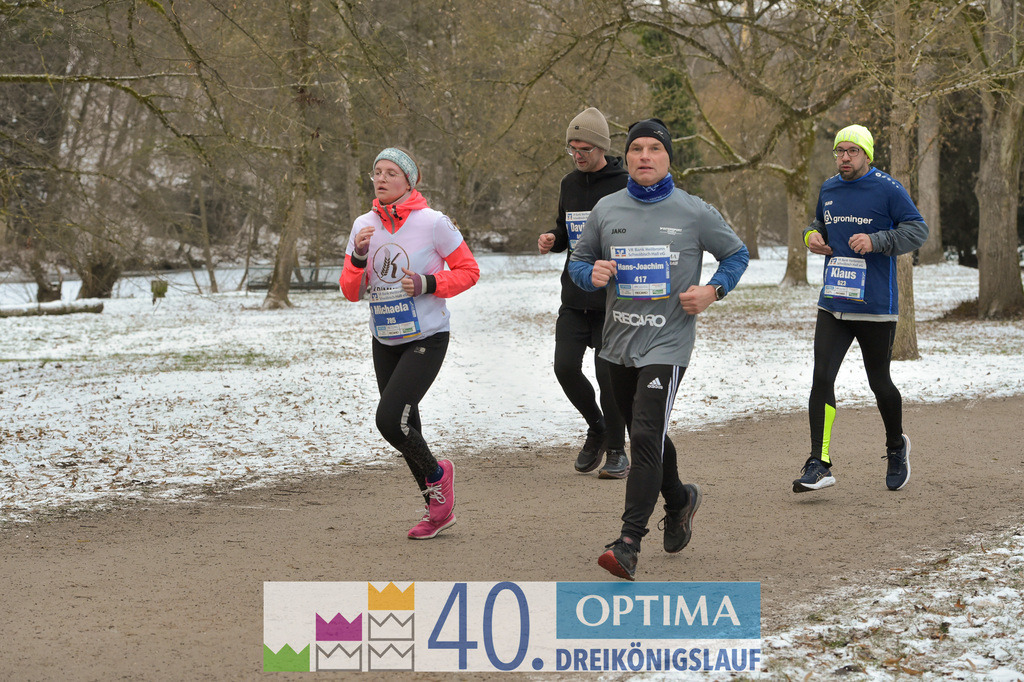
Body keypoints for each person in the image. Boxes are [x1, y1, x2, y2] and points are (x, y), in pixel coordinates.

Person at [569, 118, 749, 580]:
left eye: (654, 149)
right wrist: (590, 274)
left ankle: (628, 542)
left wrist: (713, 290)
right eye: (637, 149)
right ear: (625, 157)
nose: (645, 156)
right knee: (646, 432)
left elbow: (736, 255)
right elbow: (579, 260)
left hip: (667, 343)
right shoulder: (607, 209)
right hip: (616, 344)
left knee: (645, 434)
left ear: (669, 158)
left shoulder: (693, 211)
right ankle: (679, 498)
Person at [341, 147, 480, 539]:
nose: (381, 179)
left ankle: (439, 475)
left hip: (427, 337)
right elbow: (351, 292)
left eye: (390, 173)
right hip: (384, 338)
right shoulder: (363, 225)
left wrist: (428, 283)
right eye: (376, 173)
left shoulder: (433, 223)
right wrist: (358, 256)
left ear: (409, 181)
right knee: (408, 423)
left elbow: (470, 271)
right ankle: (437, 510)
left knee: (389, 421)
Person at [792, 124, 928, 494]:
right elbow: (819, 223)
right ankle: (819, 464)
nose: (845, 157)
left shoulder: (887, 188)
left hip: (874, 307)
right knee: (822, 378)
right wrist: (811, 236)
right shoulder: (829, 188)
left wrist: (878, 239)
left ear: (867, 155)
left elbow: (918, 230)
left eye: (853, 151)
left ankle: (896, 446)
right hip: (834, 302)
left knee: (879, 382)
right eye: (840, 151)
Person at [538, 107, 630, 478]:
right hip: (575, 297)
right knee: (564, 367)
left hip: (611, 298)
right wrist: (553, 238)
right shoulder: (568, 184)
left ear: (601, 147)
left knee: (609, 379)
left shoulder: (625, 184)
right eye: (572, 148)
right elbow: (566, 230)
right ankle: (597, 426)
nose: (577, 155)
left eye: (584, 149)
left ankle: (616, 450)